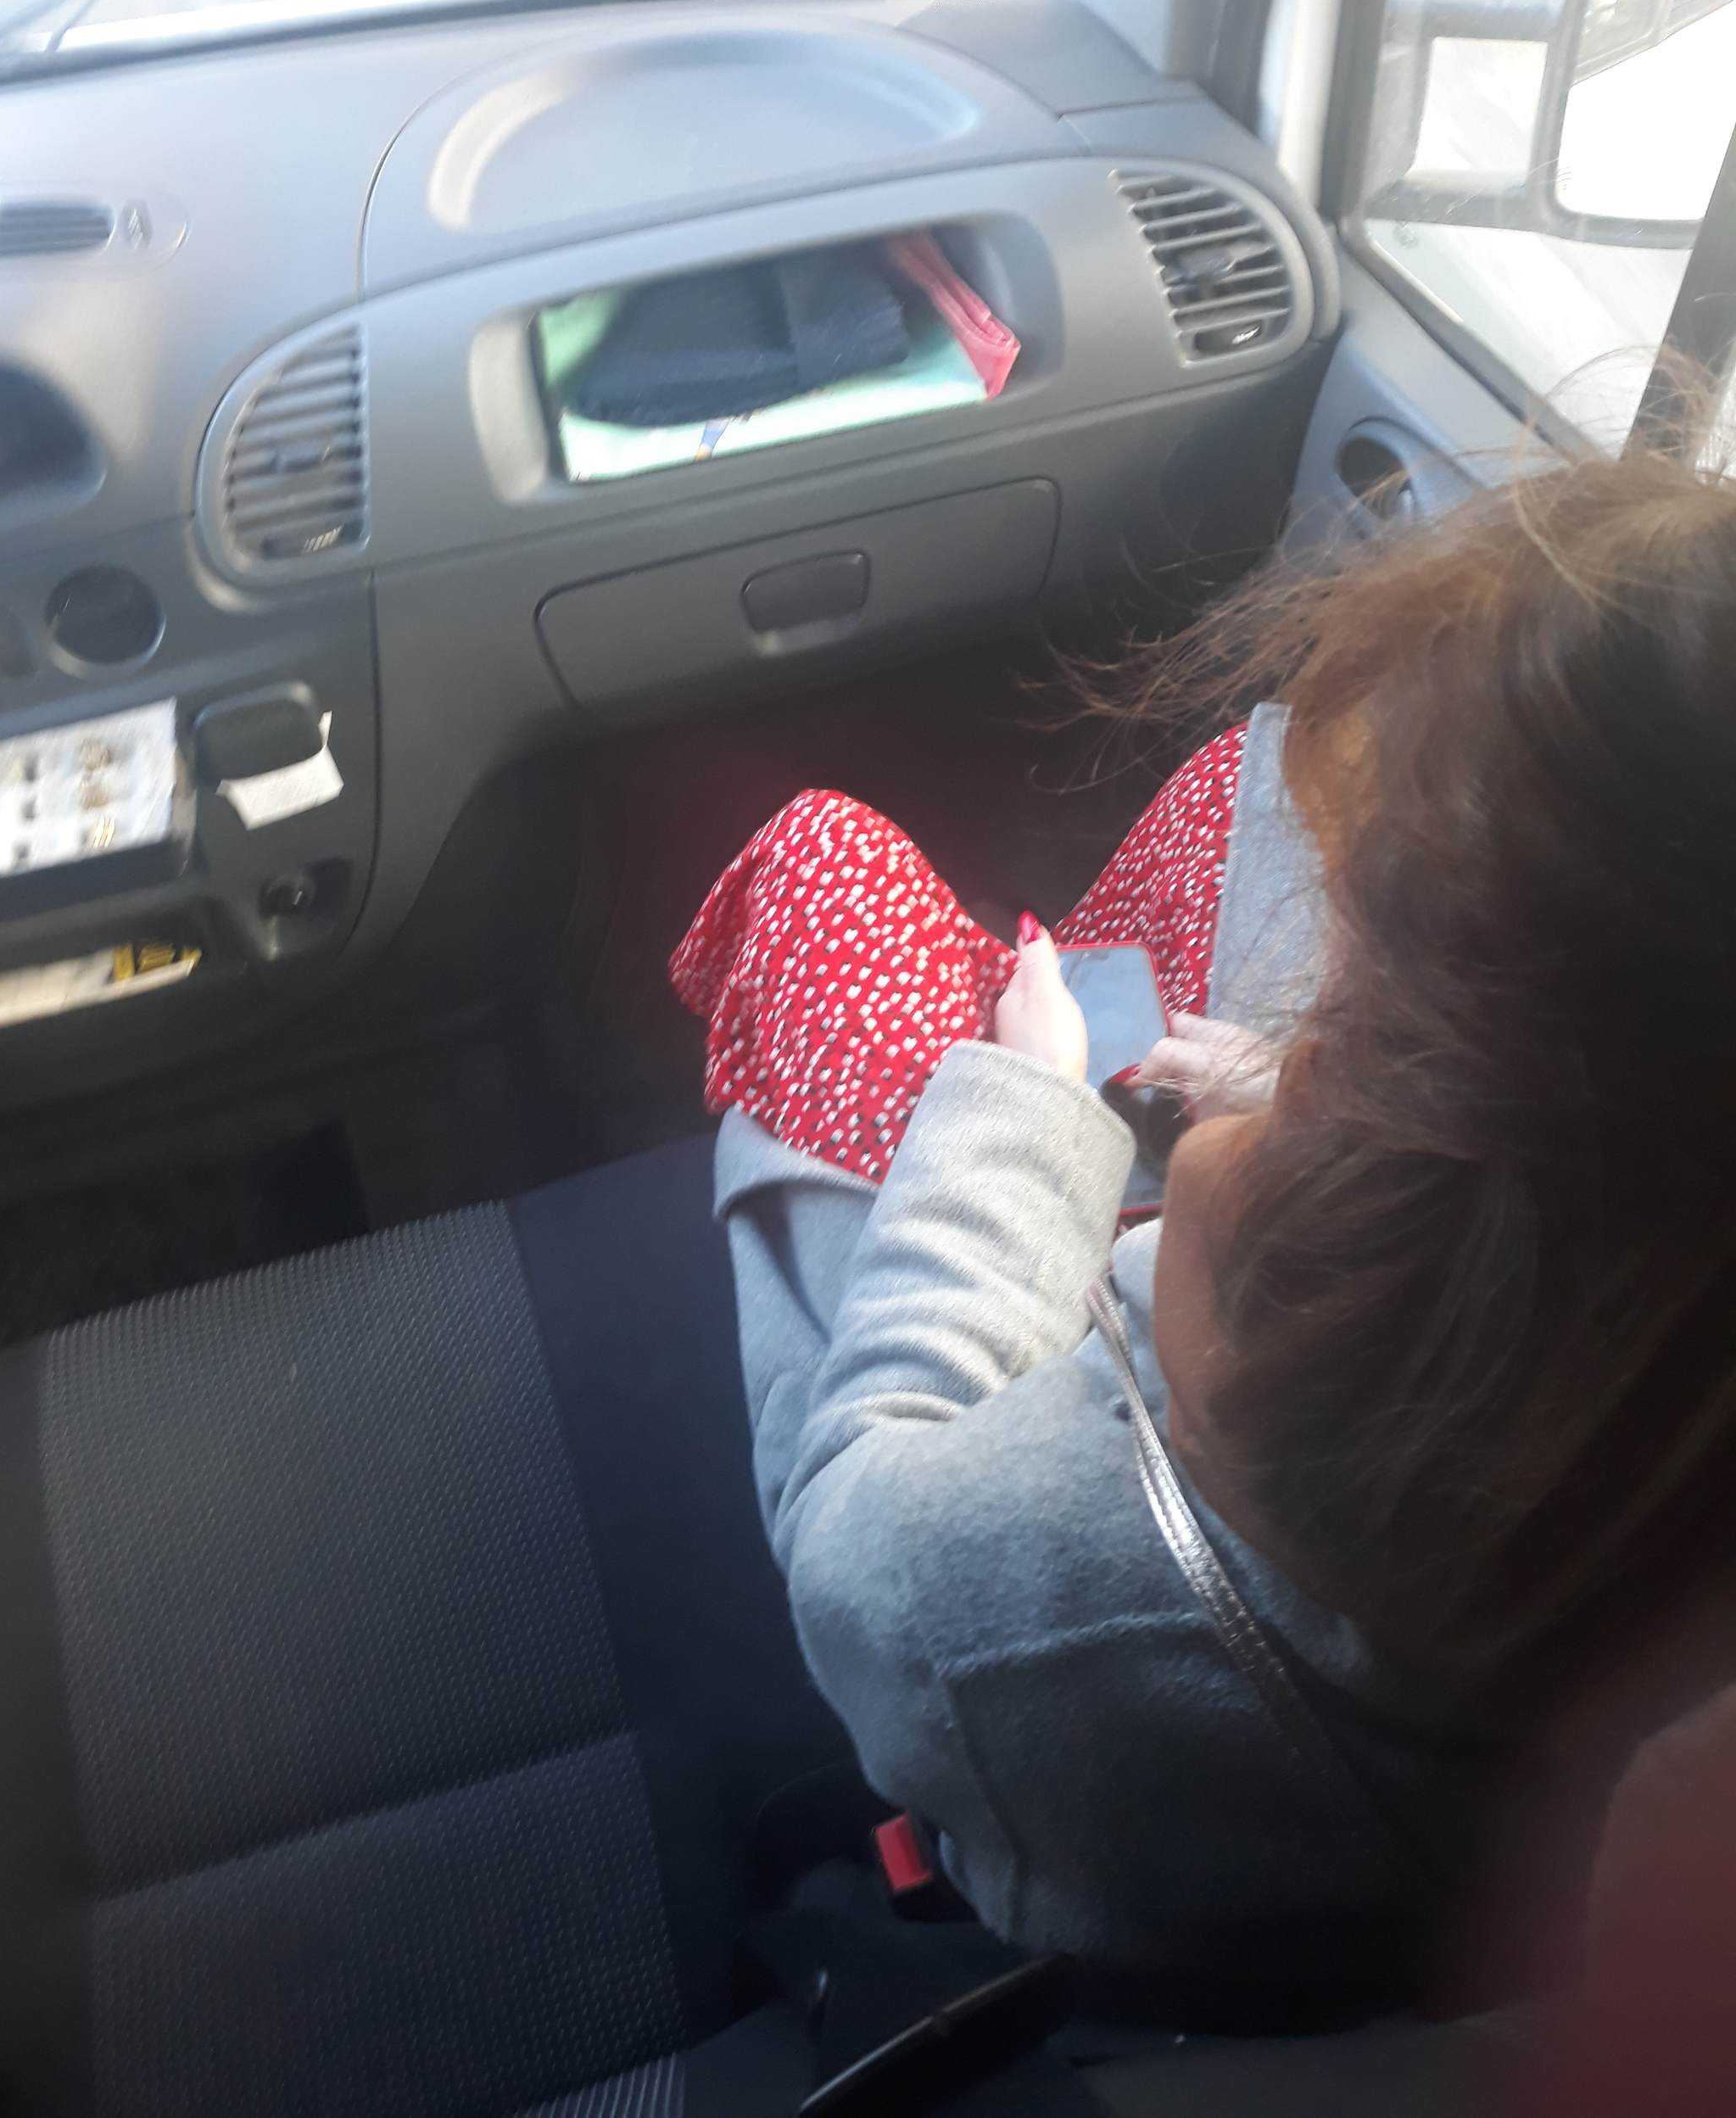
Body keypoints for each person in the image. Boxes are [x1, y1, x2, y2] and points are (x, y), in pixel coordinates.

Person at [670, 453, 1736, 2010]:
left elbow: (859, 1566)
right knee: (1250, 771)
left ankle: (1003, 1033)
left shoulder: (1094, 1598)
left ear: (1439, 1176)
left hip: (942, 1507)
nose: (1319, 1003)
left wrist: (1022, 1115)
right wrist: (1301, 1089)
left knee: (822, 864)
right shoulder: (1648, 1396)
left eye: (1367, 1002)